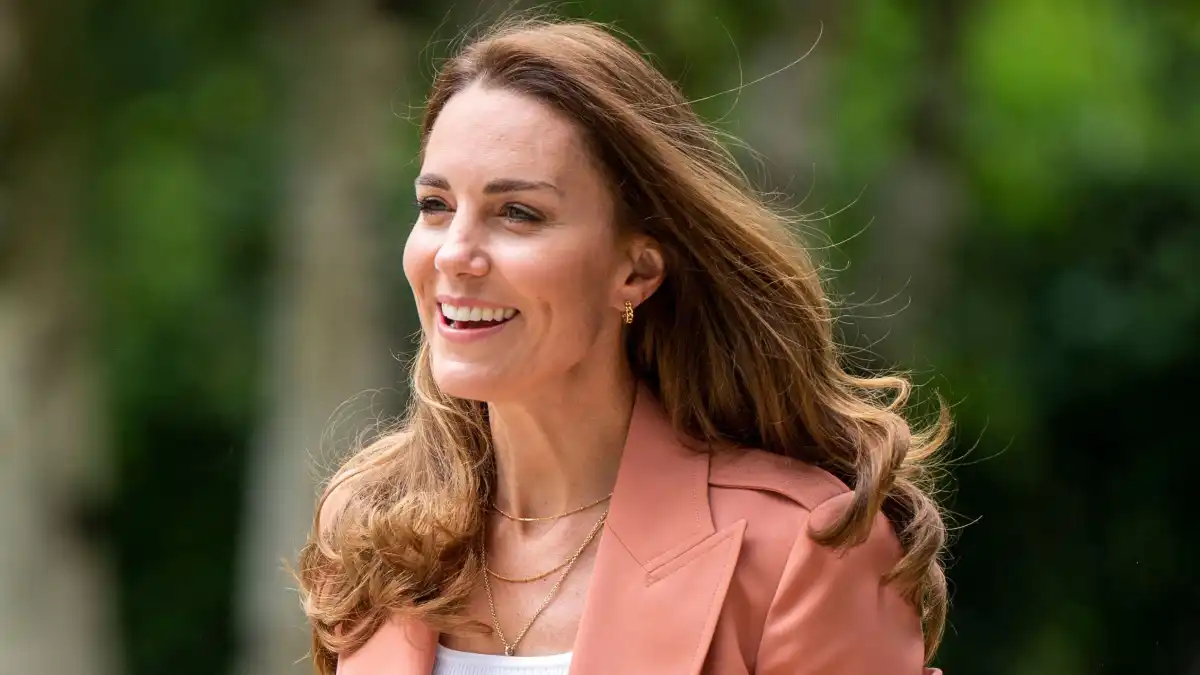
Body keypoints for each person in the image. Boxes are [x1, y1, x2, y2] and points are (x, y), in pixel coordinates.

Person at [298, 15, 950, 675]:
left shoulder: (801, 548)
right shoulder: (369, 530)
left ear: (635, 271)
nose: (455, 254)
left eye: (517, 213)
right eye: (436, 205)